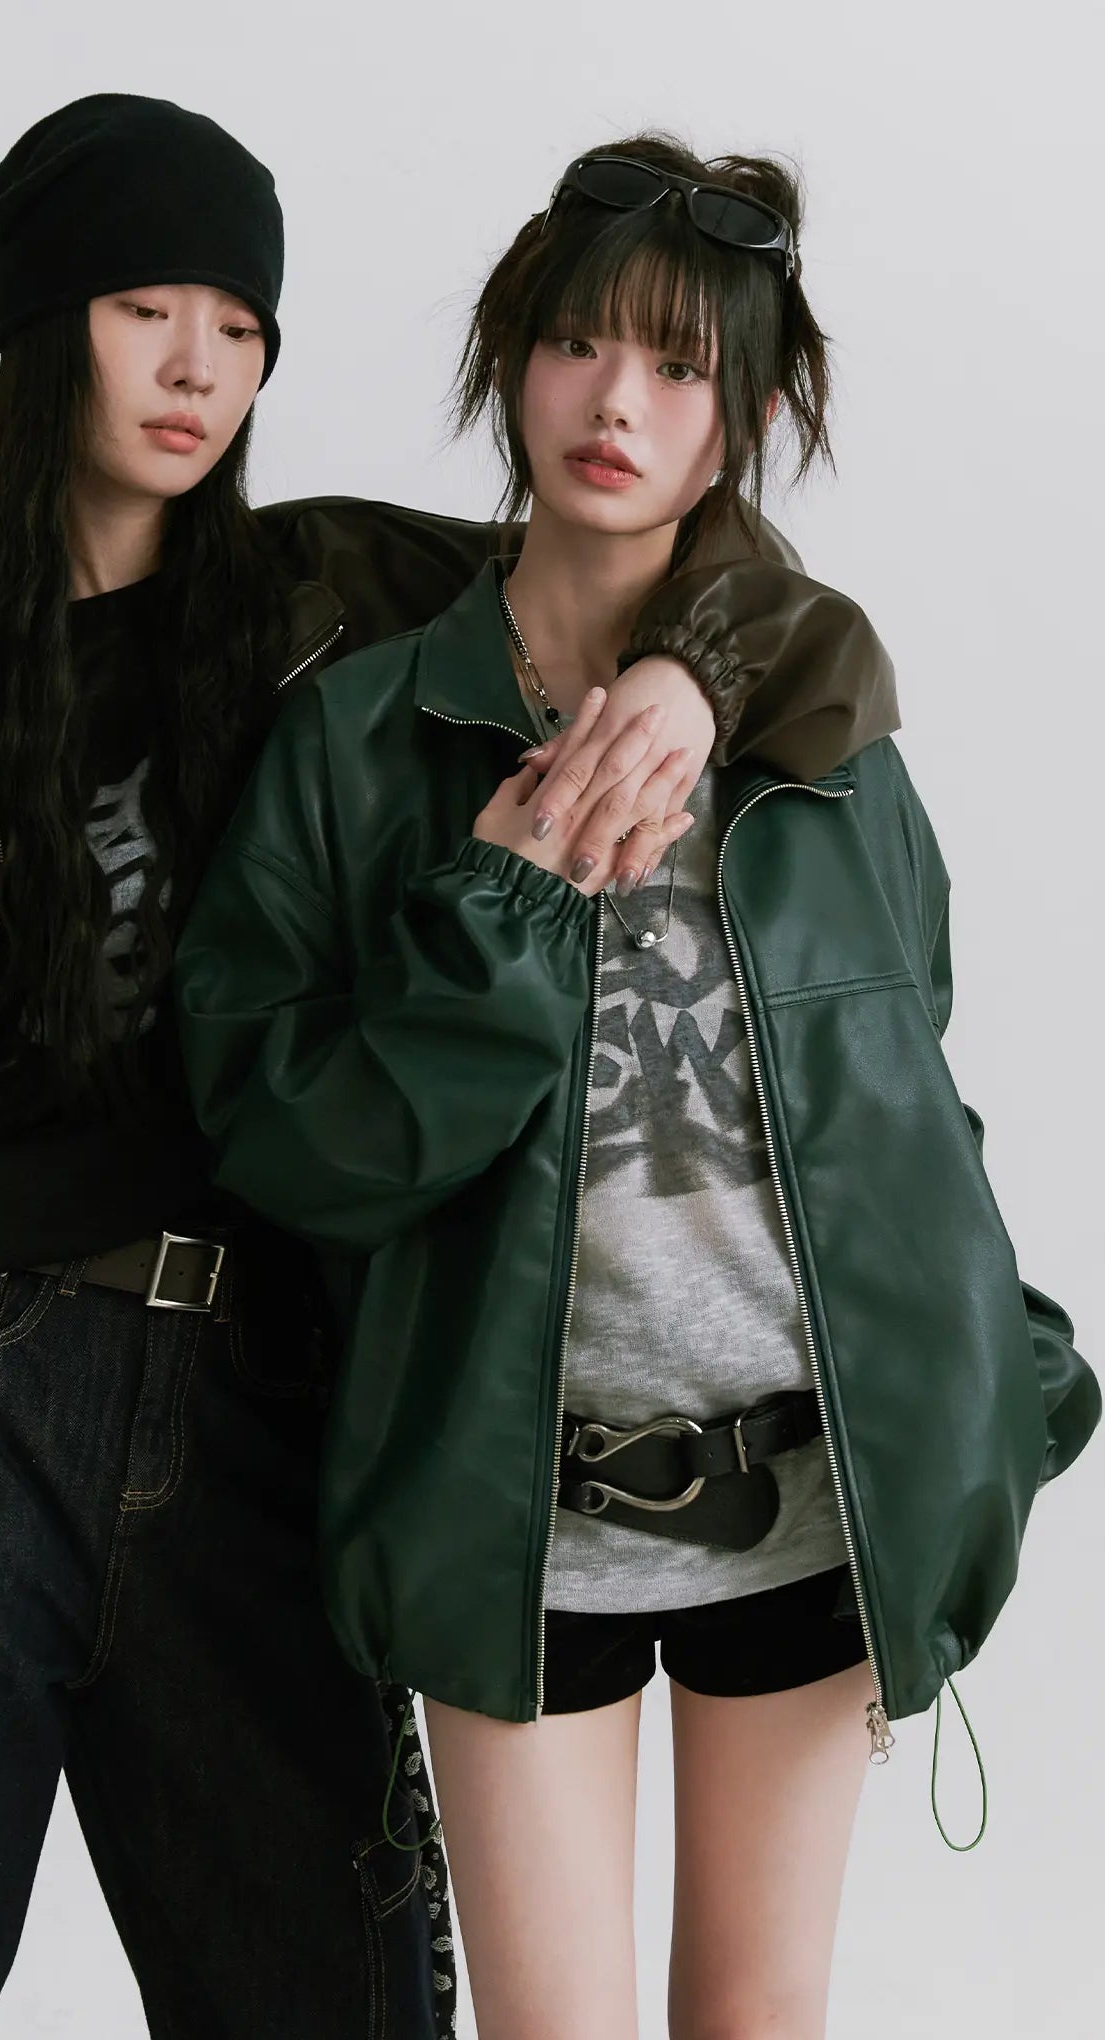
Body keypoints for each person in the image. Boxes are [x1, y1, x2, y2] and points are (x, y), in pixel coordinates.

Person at [0, 98, 899, 2038]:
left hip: (269, 1382)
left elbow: (715, 570)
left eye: (240, 324)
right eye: (146, 308)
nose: (198, 365)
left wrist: (689, 673)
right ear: (42, 323)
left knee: (329, 1981)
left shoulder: (349, 599)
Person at [175, 135, 1099, 2038]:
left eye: (682, 368)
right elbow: (287, 1143)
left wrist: (985, 1384)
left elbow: (910, 1079)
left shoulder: (823, 740)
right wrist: (504, 910)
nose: (619, 404)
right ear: (510, 356)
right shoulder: (362, 739)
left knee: (760, 2017)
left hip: (810, 1490)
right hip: (513, 1510)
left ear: (746, 414)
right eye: (581, 344)